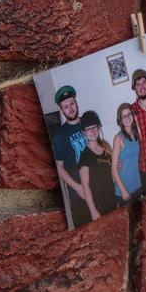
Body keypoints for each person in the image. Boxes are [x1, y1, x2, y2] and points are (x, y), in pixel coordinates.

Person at [51, 85, 90, 227]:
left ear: (76, 102)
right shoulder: (59, 136)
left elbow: (99, 145)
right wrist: (78, 188)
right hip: (76, 183)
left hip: (95, 177)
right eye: (66, 106)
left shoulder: (88, 122)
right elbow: (60, 168)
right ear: (62, 110)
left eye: (72, 103)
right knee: (85, 226)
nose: (71, 108)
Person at [78, 111, 117, 222]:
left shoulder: (106, 147)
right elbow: (85, 186)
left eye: (94, 127)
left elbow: (113, 172)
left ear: (98, 127)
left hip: (112, 199)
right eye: (88, 129)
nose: (92, 131)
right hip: (98, 205)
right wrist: (93, 211)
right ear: (84, 132)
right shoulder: (85, 156)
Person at [111, 103, 142, 206]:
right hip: (123, 189)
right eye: (124, 116)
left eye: (129, 114)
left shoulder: (135, 133)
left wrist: (135, 119)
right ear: (120, 120)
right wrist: (123, 191)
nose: (127, 118)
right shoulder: (118, 138)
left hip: (137, 185)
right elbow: (114, 169)